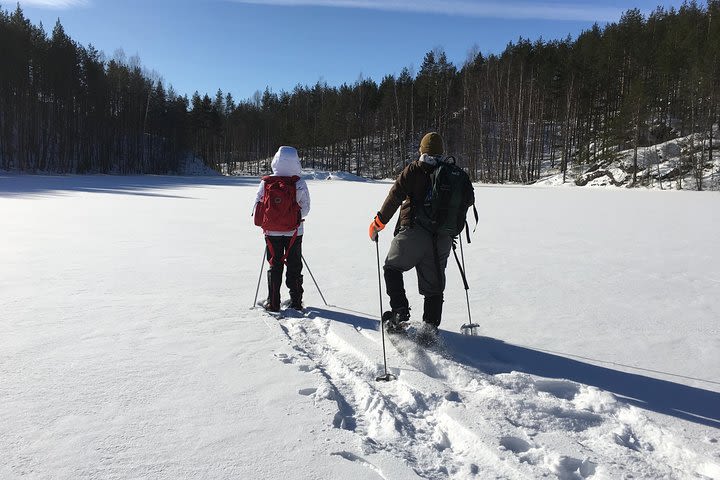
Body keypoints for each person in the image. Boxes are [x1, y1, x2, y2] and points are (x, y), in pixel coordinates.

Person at [369, 132, 464, 339]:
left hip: (414, 233)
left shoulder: (414, 170)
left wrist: (378, 223)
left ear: (422, 150)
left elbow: (395, 196)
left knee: (392, 267)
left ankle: (399, 312)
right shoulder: (452, 173)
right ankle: (429, 329)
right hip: (442, 239)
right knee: (434, 286)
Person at [254, 146, 311, 312]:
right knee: (294, 265)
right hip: (295, 231)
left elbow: (258, 204)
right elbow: (306, 208)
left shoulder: (266, 182)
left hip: (271, 232)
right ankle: (296, 301)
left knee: (275, 264)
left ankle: (273, 302)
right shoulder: (299, 182)